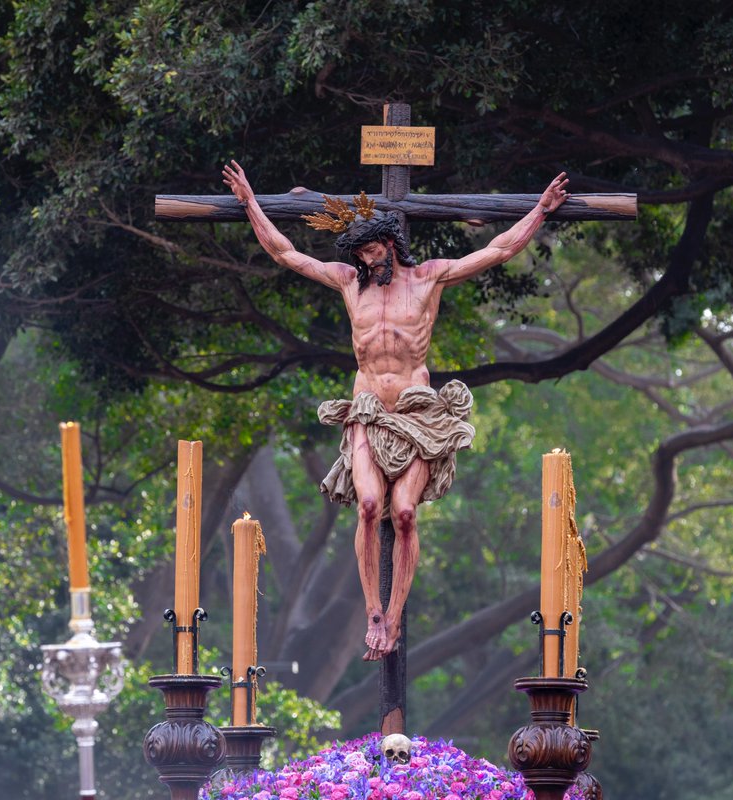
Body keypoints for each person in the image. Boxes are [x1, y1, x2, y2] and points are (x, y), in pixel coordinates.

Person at [222, 160, 570, 659]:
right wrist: (250, 202)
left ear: (391, 243)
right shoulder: (348, 283)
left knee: (404, 513)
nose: (368, 257)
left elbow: (498, 250)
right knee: (367, 506)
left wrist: (540, 209)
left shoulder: (428, 279)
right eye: (360, 251)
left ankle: (396, 619)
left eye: (374, 248)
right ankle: (373, 614)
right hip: (366, 409)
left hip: (415, 412)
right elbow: (286, 253)